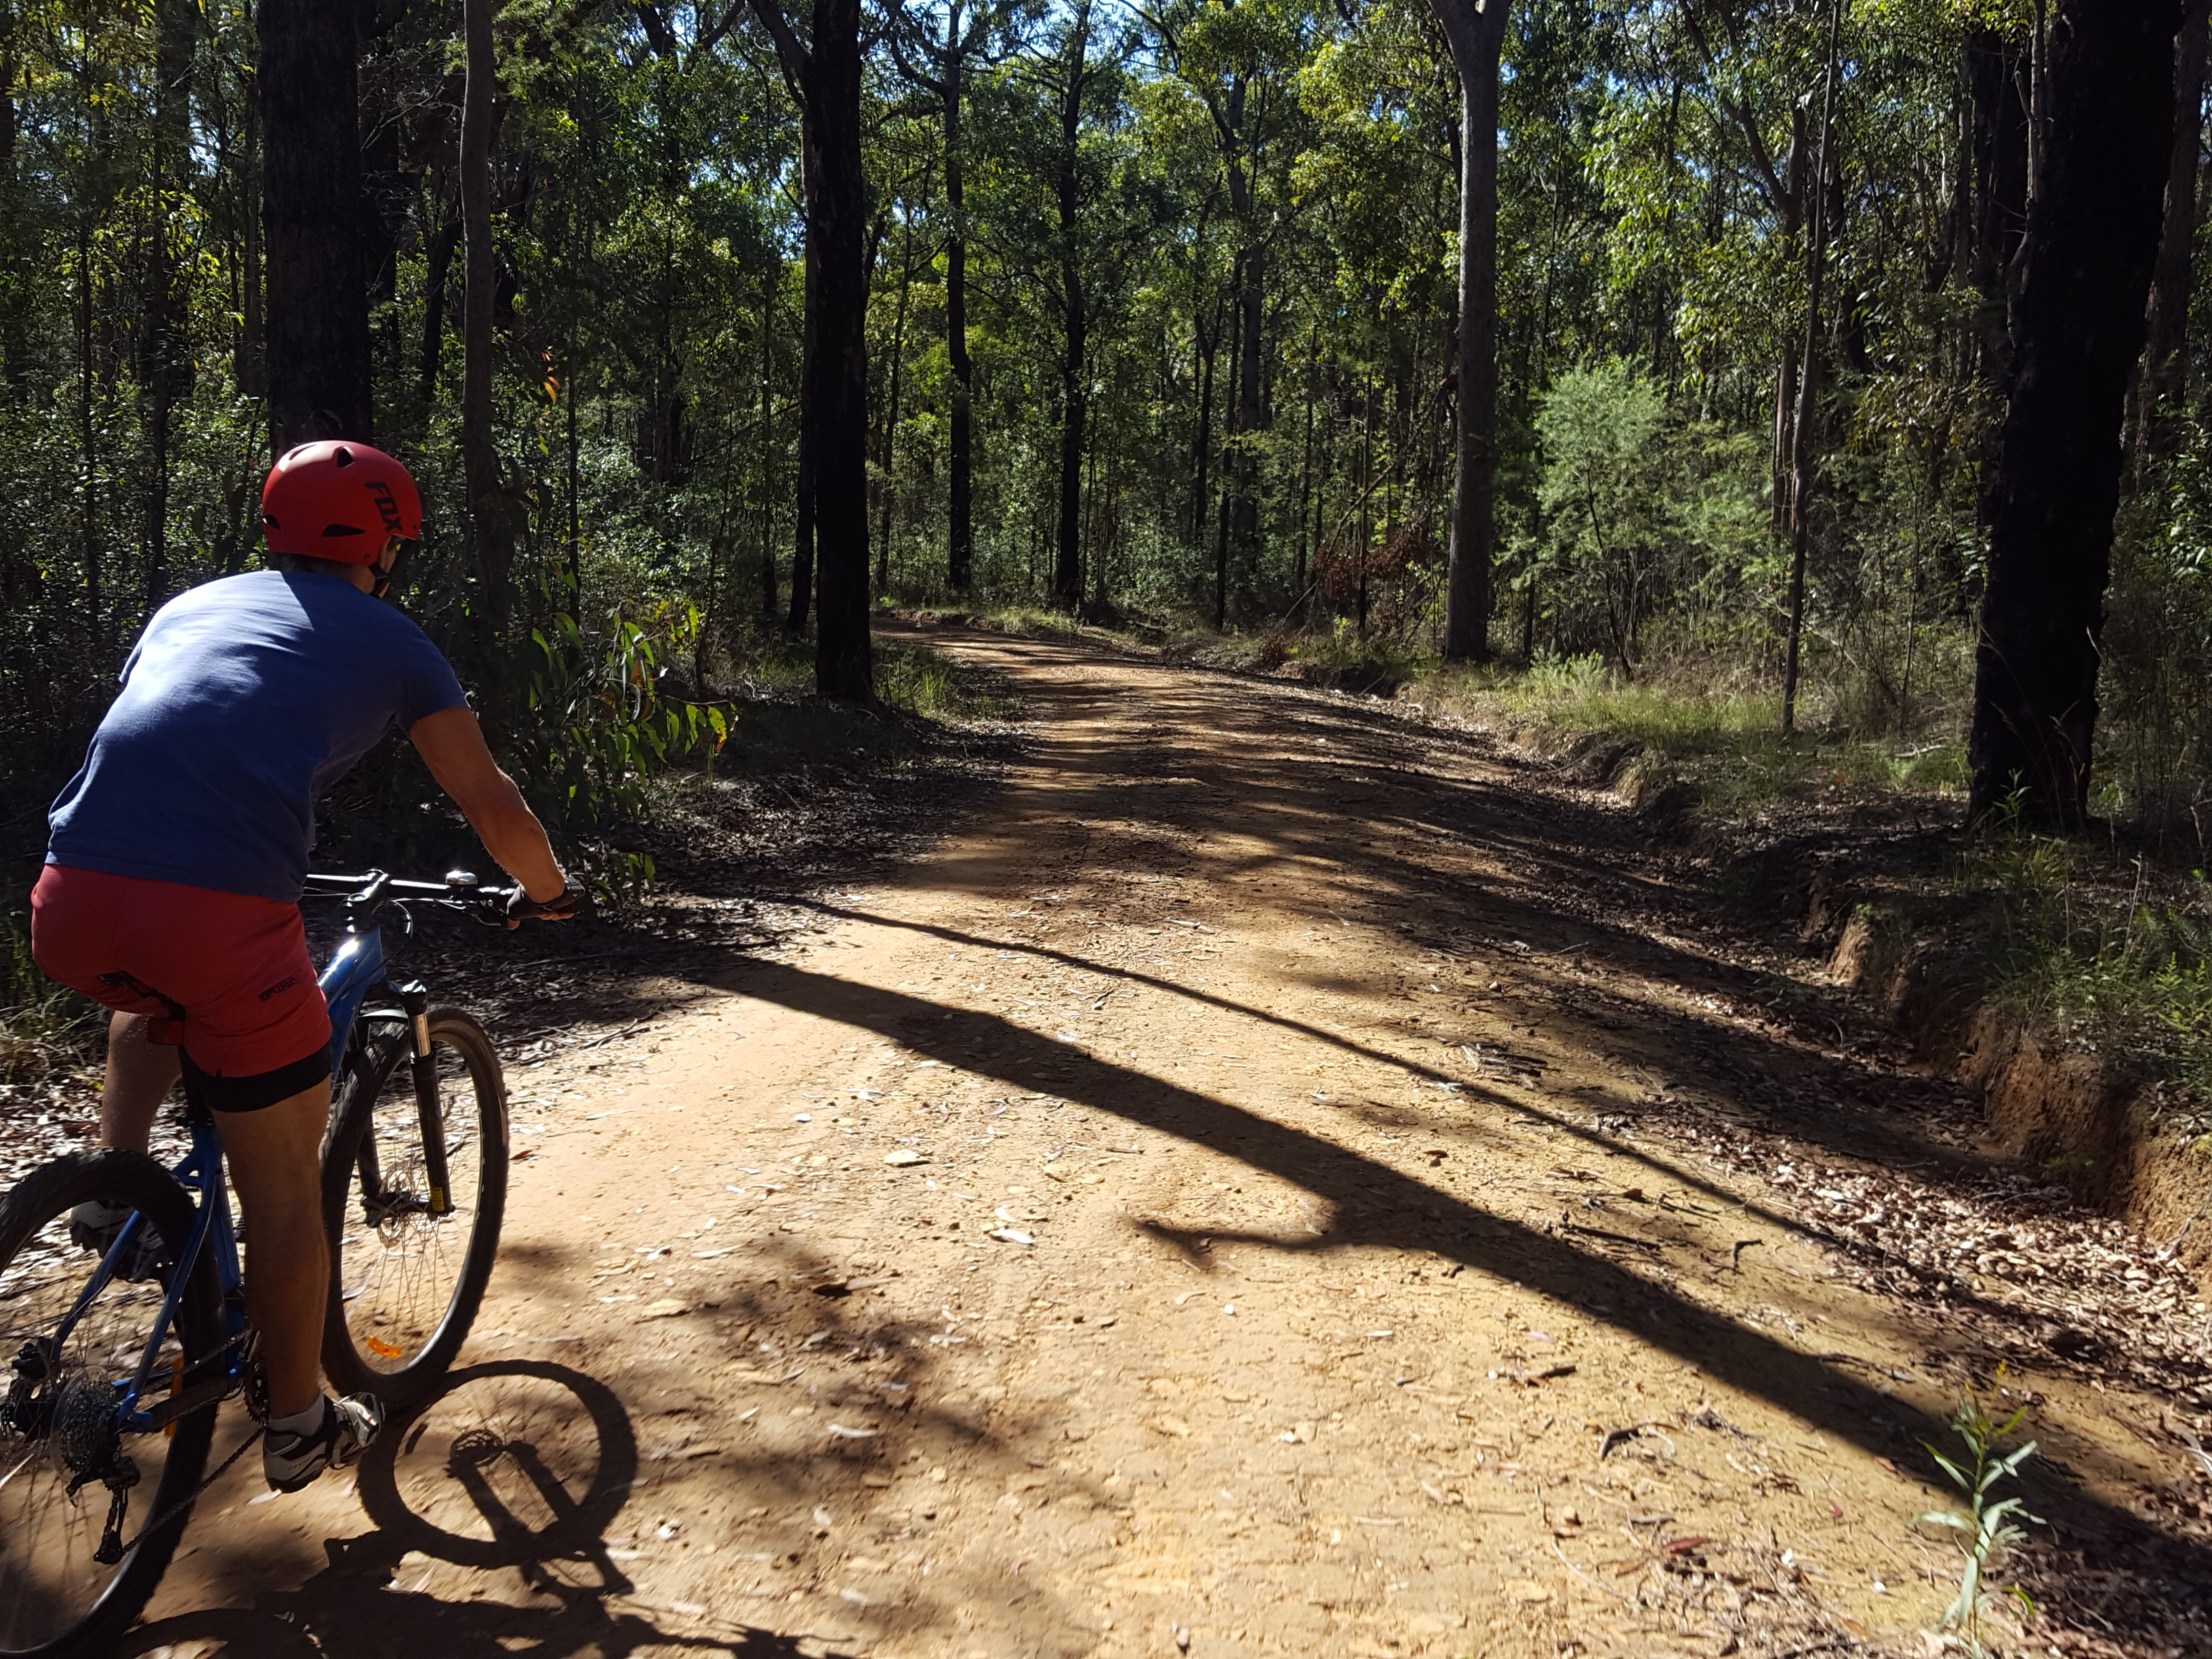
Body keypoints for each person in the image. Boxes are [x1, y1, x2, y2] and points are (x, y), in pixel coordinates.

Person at [29, 440, 578, 1494]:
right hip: (221, 916)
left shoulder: (187, 606)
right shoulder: (394, 638)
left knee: (147, 991)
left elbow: (176, 741)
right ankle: (296, 1421)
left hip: (71, 897)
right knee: (280, 1188)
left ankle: (112, 1193)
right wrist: (550, 892)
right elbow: (489, 800)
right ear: (385, 540)